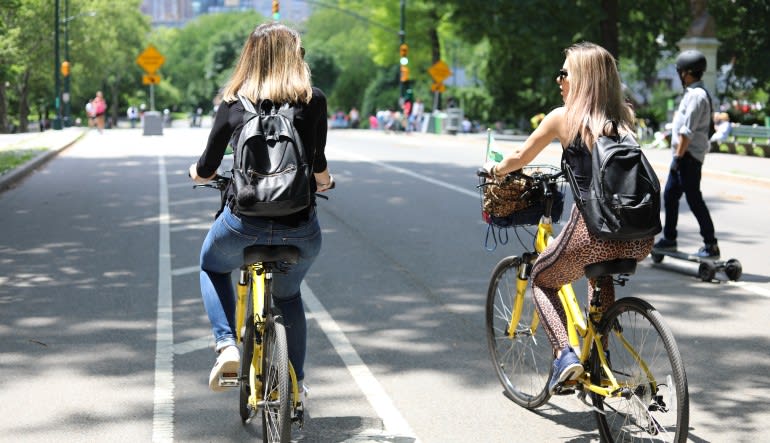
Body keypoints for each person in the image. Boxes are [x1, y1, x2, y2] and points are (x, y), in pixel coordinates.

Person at [483, 42, 654, 394]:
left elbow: (520, 155)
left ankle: (565, 356)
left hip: (594, 231)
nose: (558, 80)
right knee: (599, 274)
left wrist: (496, 170)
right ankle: (599, 362)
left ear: (582, 80)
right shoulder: (622, 118)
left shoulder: (565, 117)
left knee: (543, 279)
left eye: (564, 74)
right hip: (638, 234)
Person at [188, 22, 334, 399]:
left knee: (211, 264)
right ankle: (295, 388)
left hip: (244, 223)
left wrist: (198, 174)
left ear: (250, 58)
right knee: (288, 296)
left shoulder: (235, 102)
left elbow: (206, 167)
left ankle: (226, 346)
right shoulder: (313, 99)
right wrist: (325, 181)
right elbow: (318, 166)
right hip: (299, 227)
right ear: (295, 57)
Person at [653, 49, 720, 258]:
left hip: (687, 158)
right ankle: (669, 239)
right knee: (671, 196)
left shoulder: (696, 97)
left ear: (687, 73)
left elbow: (687, 132)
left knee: (693, 199)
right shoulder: (695, 94)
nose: (680, 75)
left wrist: (677, 158)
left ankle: (711, 244)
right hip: (686, 157)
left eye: (681, 71)